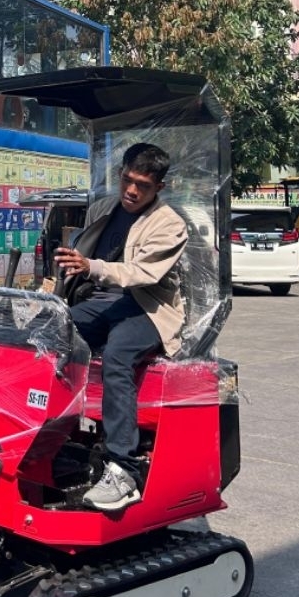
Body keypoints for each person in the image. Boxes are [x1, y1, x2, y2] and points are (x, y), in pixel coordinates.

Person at [53, 143, 188, 513]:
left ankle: (123, 470)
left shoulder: (170, 224)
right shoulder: (102, 209)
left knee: (118, 354)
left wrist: (91, 266)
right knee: (50, 335)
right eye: (127, 180)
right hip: (104, 301)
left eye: (142, 185)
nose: (131, 190)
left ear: (159, 187)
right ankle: (50, 440)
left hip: (149, 307)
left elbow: (142, 274)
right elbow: (81, 261)